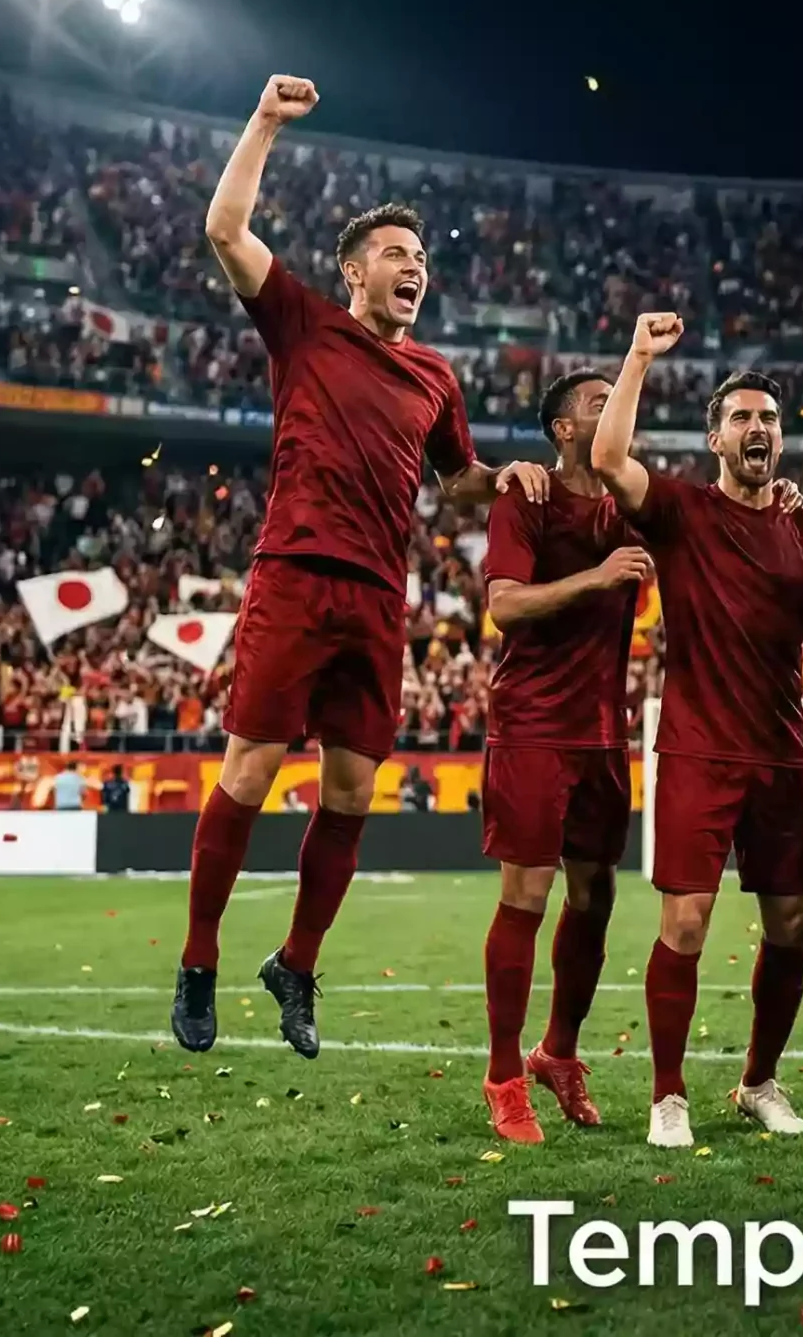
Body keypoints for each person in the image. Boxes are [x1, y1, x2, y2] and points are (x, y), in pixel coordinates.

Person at [169, 74, 547, 1062]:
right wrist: (261, 122)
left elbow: (456, 481)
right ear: (352, 272)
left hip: (382, 596)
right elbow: (223, 229)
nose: (412, 268)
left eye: (421, 259)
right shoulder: (301, 322)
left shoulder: (437, 375)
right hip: (295, 572)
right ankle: (200, 959)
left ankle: (296, 962)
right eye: (393, 255)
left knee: (349, 794)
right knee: (248, 773)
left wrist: (497, 478)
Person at [591, 311, 803, 1149]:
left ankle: (759, 1080)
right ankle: (667, 1097)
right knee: (684, 923)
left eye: (768, 417)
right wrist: (639, 356)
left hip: (780, 750)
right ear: (715, 437)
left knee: (792, 923)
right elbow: (609, 459)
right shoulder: (682, 511)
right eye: (742, 418)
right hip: (696, 746)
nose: (758, 427)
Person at [475, 367, 653, 1143]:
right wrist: (596, 576)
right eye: (595, 399)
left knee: (596, 898)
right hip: (533, 724)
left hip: (604, 732)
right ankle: (504, 1074)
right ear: (564, 427)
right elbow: (505, 603)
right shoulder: (528, 495)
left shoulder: (631, 506)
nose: (612, 405)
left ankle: (560, 1053)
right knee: (526, 894)